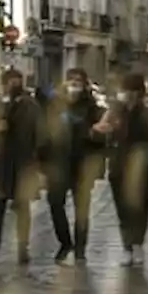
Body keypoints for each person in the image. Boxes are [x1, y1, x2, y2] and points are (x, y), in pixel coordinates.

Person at [92, 73, 148, 267]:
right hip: (119, 166)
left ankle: (137, 245)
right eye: (123, 90)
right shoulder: (115, 111)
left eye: (127, 90)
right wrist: (102, 129)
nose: (124, 94)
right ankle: (127, 247)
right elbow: (101, 126)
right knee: (123, 209)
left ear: (138, 93)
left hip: (143, 167)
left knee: (140, 209)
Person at [0, 69, 42, 269]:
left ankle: (23, 249)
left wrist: (39, 162)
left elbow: (40, 134)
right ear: (4, 84)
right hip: (0, 163)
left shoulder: (31, 107)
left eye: (17, 81)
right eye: (11, 82)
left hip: (22, 163)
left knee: (23, 208)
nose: (14, 85)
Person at [41, 69, 107, 266]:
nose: (74, 84)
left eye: (78, 80)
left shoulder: (91, 106)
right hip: (57, 164)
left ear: (85, 84)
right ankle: (65, 242)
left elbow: (102, 136)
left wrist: (92, 134)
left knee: (82, 210)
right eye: (71, 80)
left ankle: (80, 249)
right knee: (55, 204)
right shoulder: (54, 105)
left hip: (82, 165)